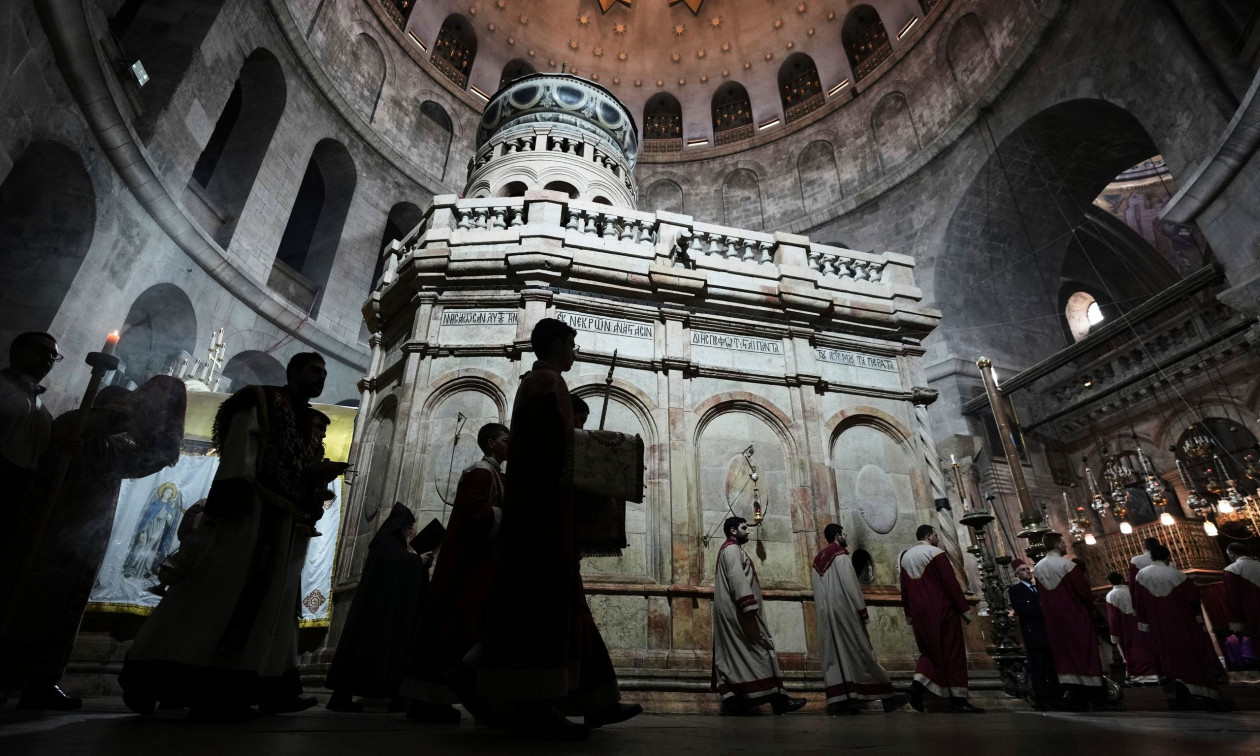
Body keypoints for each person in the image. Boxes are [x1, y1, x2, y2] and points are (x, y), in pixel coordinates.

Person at [119, 352, 342, 721]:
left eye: (324, 373)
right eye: (314, 370)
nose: (320, 378)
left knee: (271, 605)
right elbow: (241, 451)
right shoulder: (261, 400)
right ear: (294, 371)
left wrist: (315, 481)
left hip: (282, 521)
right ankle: (153, 677)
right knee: (214, 593)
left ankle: (252, 687)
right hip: (248, 514)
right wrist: (233, 500)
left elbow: (296, 468)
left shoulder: (309, 420)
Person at [473, 318, 640, 737]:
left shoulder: (541, 382)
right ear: (557, 345)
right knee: (543, 606)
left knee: (557, 606)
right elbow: (553, 450)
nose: (575, 351)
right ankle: (534, 705)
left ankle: (589, 699)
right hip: (543, 514)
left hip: (540, 510)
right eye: (571, 343)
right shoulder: (547, 384)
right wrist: (600, 453)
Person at [0, 377, 185, 709]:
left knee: (66, 602)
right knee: (28, 594)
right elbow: (44, 459)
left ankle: (42, 679)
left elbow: (148, 458)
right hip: (50, 520)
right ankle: (9, 673)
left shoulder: (119, 447)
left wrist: (164, 423)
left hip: (88, 528)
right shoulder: (77, 426)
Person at [402, 422, 509, 723]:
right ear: (490, 443)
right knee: (451, 628)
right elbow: (476, 513)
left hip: (483, 562)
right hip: (467, 566)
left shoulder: (497, 474)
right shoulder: (479, 472)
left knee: (469, 629)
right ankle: (427, 699)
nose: (509, 445)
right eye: (505, 440)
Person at [325, 503, 432, 713]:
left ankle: (390, 695)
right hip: (374, 613)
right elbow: (398, 564)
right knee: (364, 650)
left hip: (379, 609)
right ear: (401, 526)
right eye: (409, 528)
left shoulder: (391, 544)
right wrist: (418, 561)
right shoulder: (387, 543)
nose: (410, 533)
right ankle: (343, 698)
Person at [712, 516, 806, 716]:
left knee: (737, 658)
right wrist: (748, 606)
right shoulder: (731, 550)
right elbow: (737, 578)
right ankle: (779, 700)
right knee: (762, 650)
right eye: (744, 527)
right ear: (733, 531)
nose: (748, 531)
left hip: (737, 612)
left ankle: (733, 701)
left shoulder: (732, 549)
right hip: (741, 613)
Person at [811, 523, 909, 715]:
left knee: (835, 656)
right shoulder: (841, 555)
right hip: (846, 612)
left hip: (827, 615)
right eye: (844, 533)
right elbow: (851, 586)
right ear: (838, 536)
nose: (846, 537)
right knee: (861, 650)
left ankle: (838, 700)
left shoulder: (817, 560)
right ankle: (887, 695)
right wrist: (861, 610)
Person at [899, 524, 983, 713]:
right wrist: (964, 609)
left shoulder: (906, 557)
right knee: (953, 652)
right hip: (942, 610)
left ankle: (916, 690)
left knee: (929, 653)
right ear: (929, 536)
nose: (938, 538)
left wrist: (909, 614)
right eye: (936, 535)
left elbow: (904, 590)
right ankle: (959, 700)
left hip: (920, 614)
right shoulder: (935, 553)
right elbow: (950, 583)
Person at [1132, 544, 1227, 710]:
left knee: (1169, 657)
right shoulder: (1175, 574)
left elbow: (1139, 602)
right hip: (1182, 622)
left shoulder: (1141, 575)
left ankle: (1181, 695)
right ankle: (1205, 696)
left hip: (1158, 624)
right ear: (1168, 557)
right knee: (1191, 657)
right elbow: (1192, 597)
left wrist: (1144, 624)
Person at [1035, 532, 1109, 710]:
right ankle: (1095, 697)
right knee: (1085, 653)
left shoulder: (1038, 568)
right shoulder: (1067, 565)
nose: (1065, 545)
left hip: (1054, 621)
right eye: (1062, 542)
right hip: (1076, 616)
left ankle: (1074, 695)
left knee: (1065, 656)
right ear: (1057, 544)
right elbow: (1084, 593)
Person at [0, 332, 58, 516]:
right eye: (41, 350)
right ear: (16, 352)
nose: (48, 358)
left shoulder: (45, 414)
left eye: (53, 355)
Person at [1006, 558, 1058, 708]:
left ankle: (1055, 696)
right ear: (1017, 574)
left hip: (1047, 632)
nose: (1027, 572)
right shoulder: (1015, 590)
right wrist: (1040, 608)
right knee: (1038, 667)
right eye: (1023, 570)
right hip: (1033, 634)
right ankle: (1042, 698)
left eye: (1027, 569)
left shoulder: (1039, 589)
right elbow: (1022, 609)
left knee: (1051, 667)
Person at [1104, 572, 1159, 685]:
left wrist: (1114, 636)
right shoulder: (1132, 590)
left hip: (1126, 627)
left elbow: (1112, 618)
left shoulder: (1111, 595)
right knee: (1147, 649)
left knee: (1132, 653)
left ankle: (1138, 678)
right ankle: (1154, 675)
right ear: (1122, 580)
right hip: (1142, 624)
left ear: (1110, 583)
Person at [1224, 542, 1260, 638]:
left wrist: (1237, 623)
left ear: (1232, 553)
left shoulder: (1232, 570)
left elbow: (1233, 598)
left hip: (1253, 613)